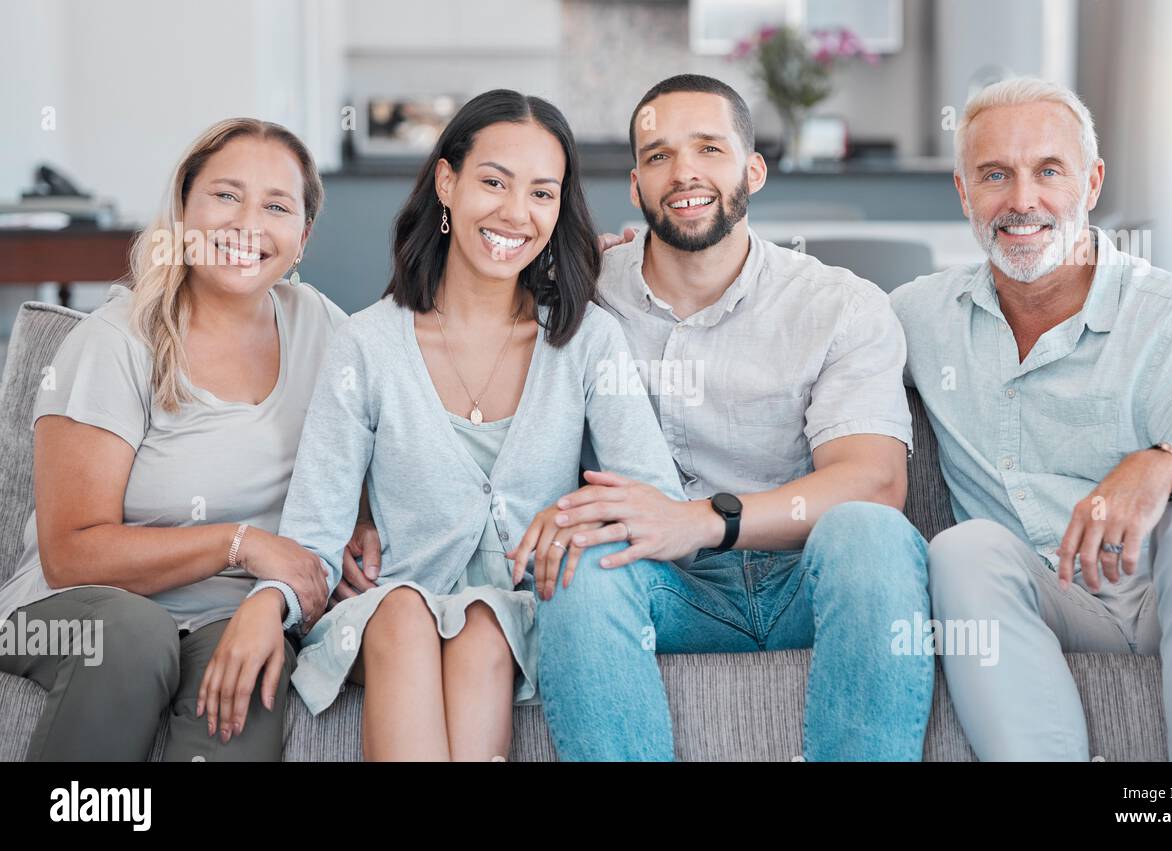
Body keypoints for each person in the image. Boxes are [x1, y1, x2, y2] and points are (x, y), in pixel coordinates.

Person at [221, 89, 684, 761]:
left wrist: (580, 516)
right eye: (493, 182)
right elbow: (314, 533)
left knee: (482, 623)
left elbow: (657, 501)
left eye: (541, 193)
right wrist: (270, 600)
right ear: (447, 181)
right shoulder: (367, 344)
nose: (515, 213)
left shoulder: (588, 341)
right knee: (408, 611)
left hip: (518, 615)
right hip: (388, 613)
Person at [891, 76, 1172, 760]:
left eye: (1048, 171)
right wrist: (660, 262)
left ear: (1092, 183)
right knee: (961, 547)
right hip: (1065, 597)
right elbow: (813, 337)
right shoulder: (921, 318)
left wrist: (1167, 465)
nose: (1023, 201)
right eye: (995, 174)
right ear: (964, 192)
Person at [533, 74, 932, 761]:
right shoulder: (581, 295)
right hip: (667, 585)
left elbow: (873, 482)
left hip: (805, 575)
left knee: (871, 534)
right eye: (658, 155)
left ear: (754, 170)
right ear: (636, 187)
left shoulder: (839, 304)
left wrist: (703, 518)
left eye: (709, 148)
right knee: (581, 562)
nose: (684, 171)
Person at [0, 118, 356, 761]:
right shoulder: (113, 343)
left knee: (248, 670)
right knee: (135, 636)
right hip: (76, 609)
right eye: (225, 195)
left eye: (277, 206)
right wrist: (242, 545)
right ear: (183, 210)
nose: (248, 223)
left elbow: (376, 447)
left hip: (231, 612)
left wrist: (360, 524)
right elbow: (70, 554)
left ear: (301, 238)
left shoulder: (323, 330)